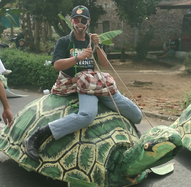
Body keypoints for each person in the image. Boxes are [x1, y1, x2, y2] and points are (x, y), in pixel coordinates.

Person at [23, 5, 142, 161]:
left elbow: (104, 64)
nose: (80, 23)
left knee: (137, 114)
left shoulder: (92, 41)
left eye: (83, 20)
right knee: (87, 115)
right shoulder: (64, 41)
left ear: (88, 22)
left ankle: (134, 136)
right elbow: (57, 65)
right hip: (75, 82)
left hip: (93, 81)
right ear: (72, 21)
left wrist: (97, 46)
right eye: (77, 20)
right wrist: (77, 58)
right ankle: (39, 134)